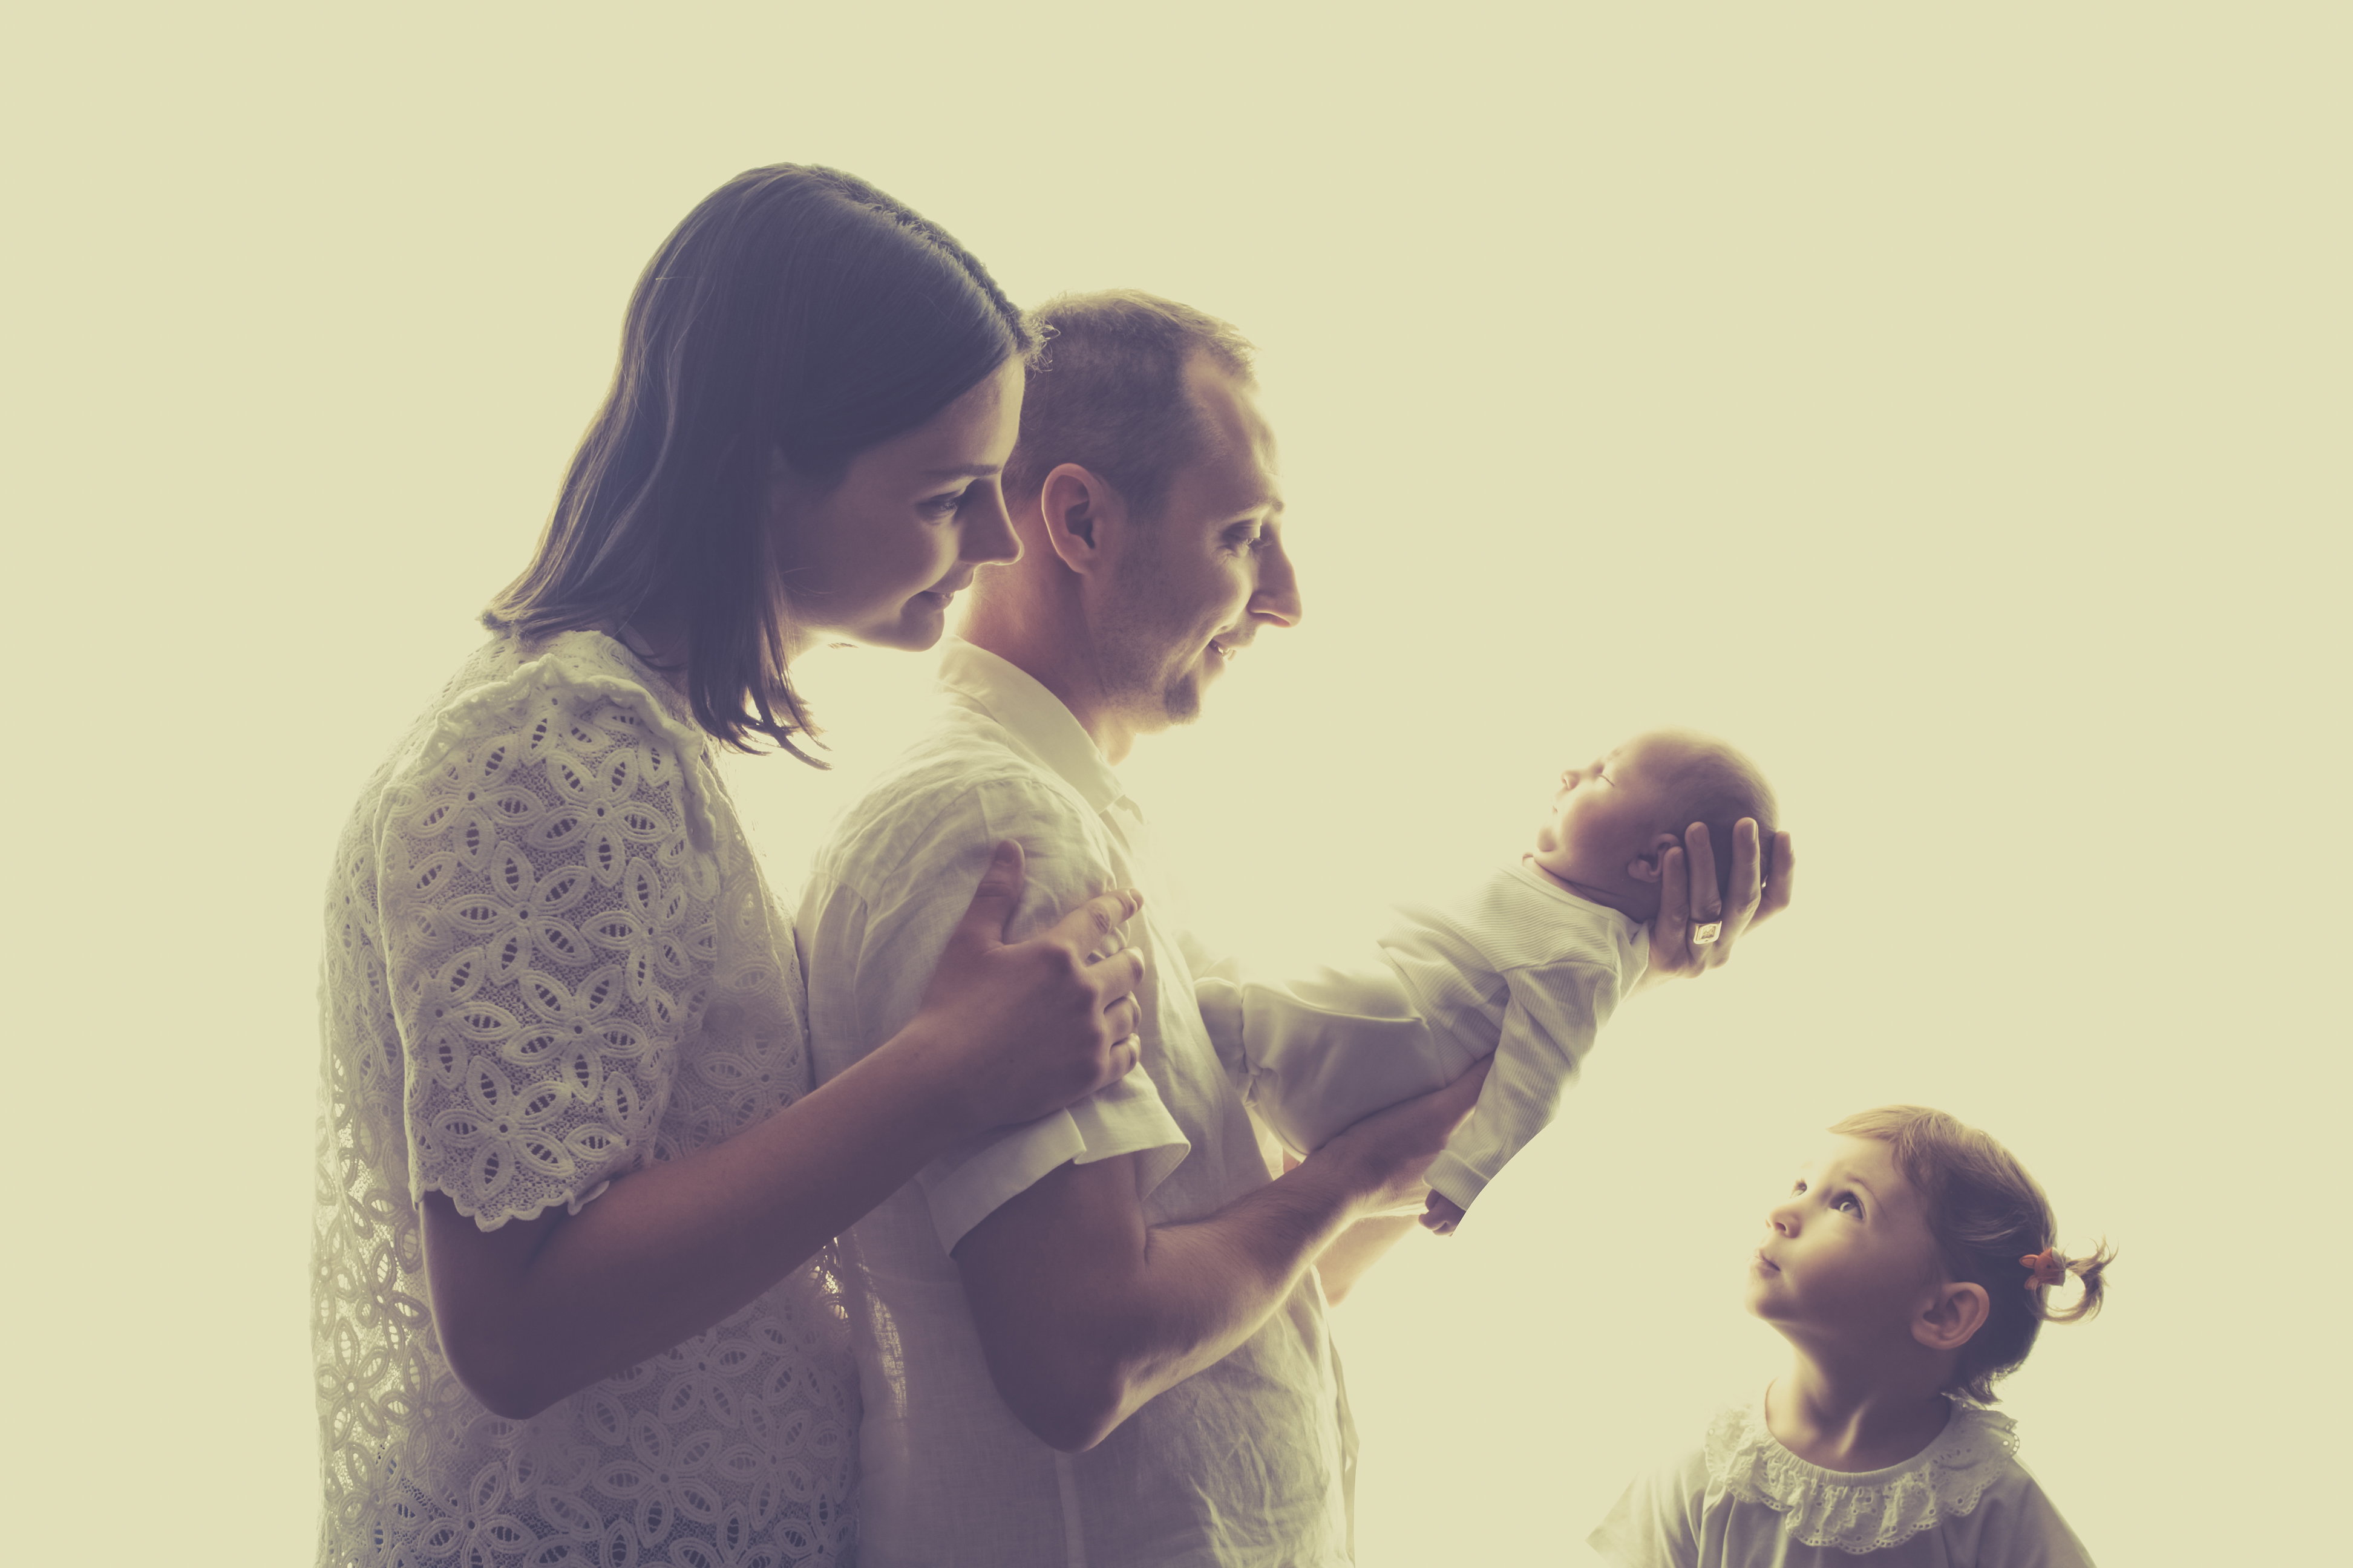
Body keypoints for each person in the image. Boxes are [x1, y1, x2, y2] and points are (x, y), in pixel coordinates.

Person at [797, 291, 1792, 1566]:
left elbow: (1262, 1294)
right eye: (1243, 534)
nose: (1288, 597)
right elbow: (1082, 1358)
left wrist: (1604, 974)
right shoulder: (1003, 836)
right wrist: (1337, 1184)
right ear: (1082, 522)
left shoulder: (1083, 824)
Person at [310, 165, 1157, 1568]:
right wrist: (947, 1073)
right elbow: (517, 1324)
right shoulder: (556, 744)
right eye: (952, 492)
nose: (999, 541)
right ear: (767, 460)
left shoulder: (619, 733)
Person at [1207, 728, 1779, 1236]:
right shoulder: (1556, 897)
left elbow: (1541, 1073)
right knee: (1304, 982)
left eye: (1603, 776)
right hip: (1360, 1068)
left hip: (1389, 1051)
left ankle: (1227, 1022)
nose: (1570, 773)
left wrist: (1473, 1175)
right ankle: (1233, 1033)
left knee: (1296, 999)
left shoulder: (1584, 953)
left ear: (1652, 863)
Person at [1589, 1106, 2112, 1566]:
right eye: (1801, 1187)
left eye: (1846, 1205)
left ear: (1943, 1313)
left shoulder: (1985, 1502)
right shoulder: (1714, 1460)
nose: (1780, 1212)